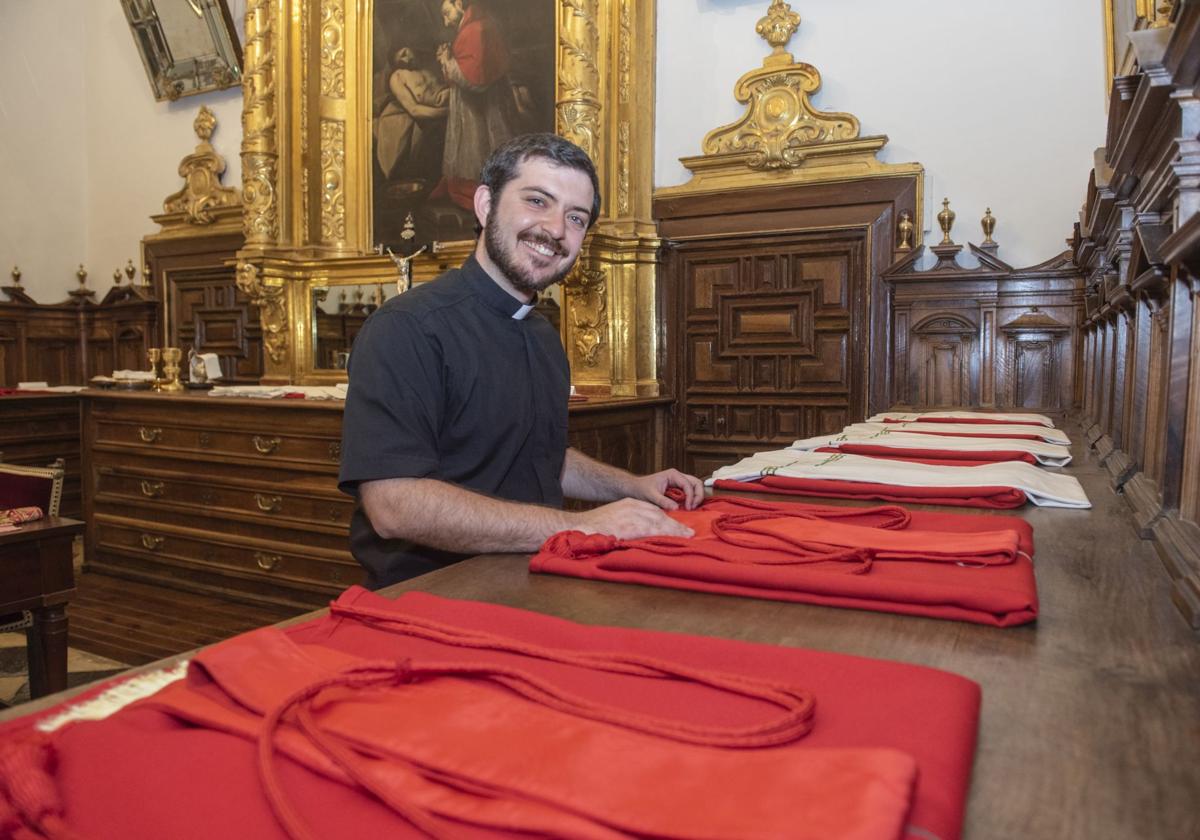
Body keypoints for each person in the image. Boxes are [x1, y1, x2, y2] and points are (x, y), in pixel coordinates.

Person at [339, 133, 703, 589]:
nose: (554, 229)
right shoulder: (407, 328)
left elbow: (537, 454)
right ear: (486, 204)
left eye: (575, 217)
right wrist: (583, 525)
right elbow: (394, 506)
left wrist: (631, 486)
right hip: (429, 594)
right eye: (537, 201)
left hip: (531, 574)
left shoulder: (541, 334)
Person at [432, 0, 523, 212]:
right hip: (475, 102)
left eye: (447, 13)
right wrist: (448, 61)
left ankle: (477, 193)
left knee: (479, 145)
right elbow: (465, 69)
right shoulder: (475, 27)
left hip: (480, 106)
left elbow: (472, 80)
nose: (446, 22)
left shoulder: (477, 29)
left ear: (459, 4)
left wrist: (447, 61)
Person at [373, 47, 450, 182]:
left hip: (453, 106)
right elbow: (414, 110)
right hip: (432, 118)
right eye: (400, 60)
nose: (406, 60)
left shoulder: (431, 62)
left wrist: (450, 92)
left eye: (404, 53)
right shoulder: (398, 77)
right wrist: (446, 112)